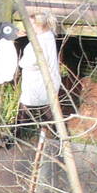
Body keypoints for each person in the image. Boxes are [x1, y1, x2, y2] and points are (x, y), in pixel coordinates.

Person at [14, 12, 60, 141]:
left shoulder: (38, 42)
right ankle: (59, 138)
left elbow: (30, 62)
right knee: (47, 111)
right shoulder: (48, 36)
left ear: (39, 25)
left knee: (26, 110)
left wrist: (20, 63)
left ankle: (13, 138)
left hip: (38, 83)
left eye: (31, 24)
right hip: (47, 81)